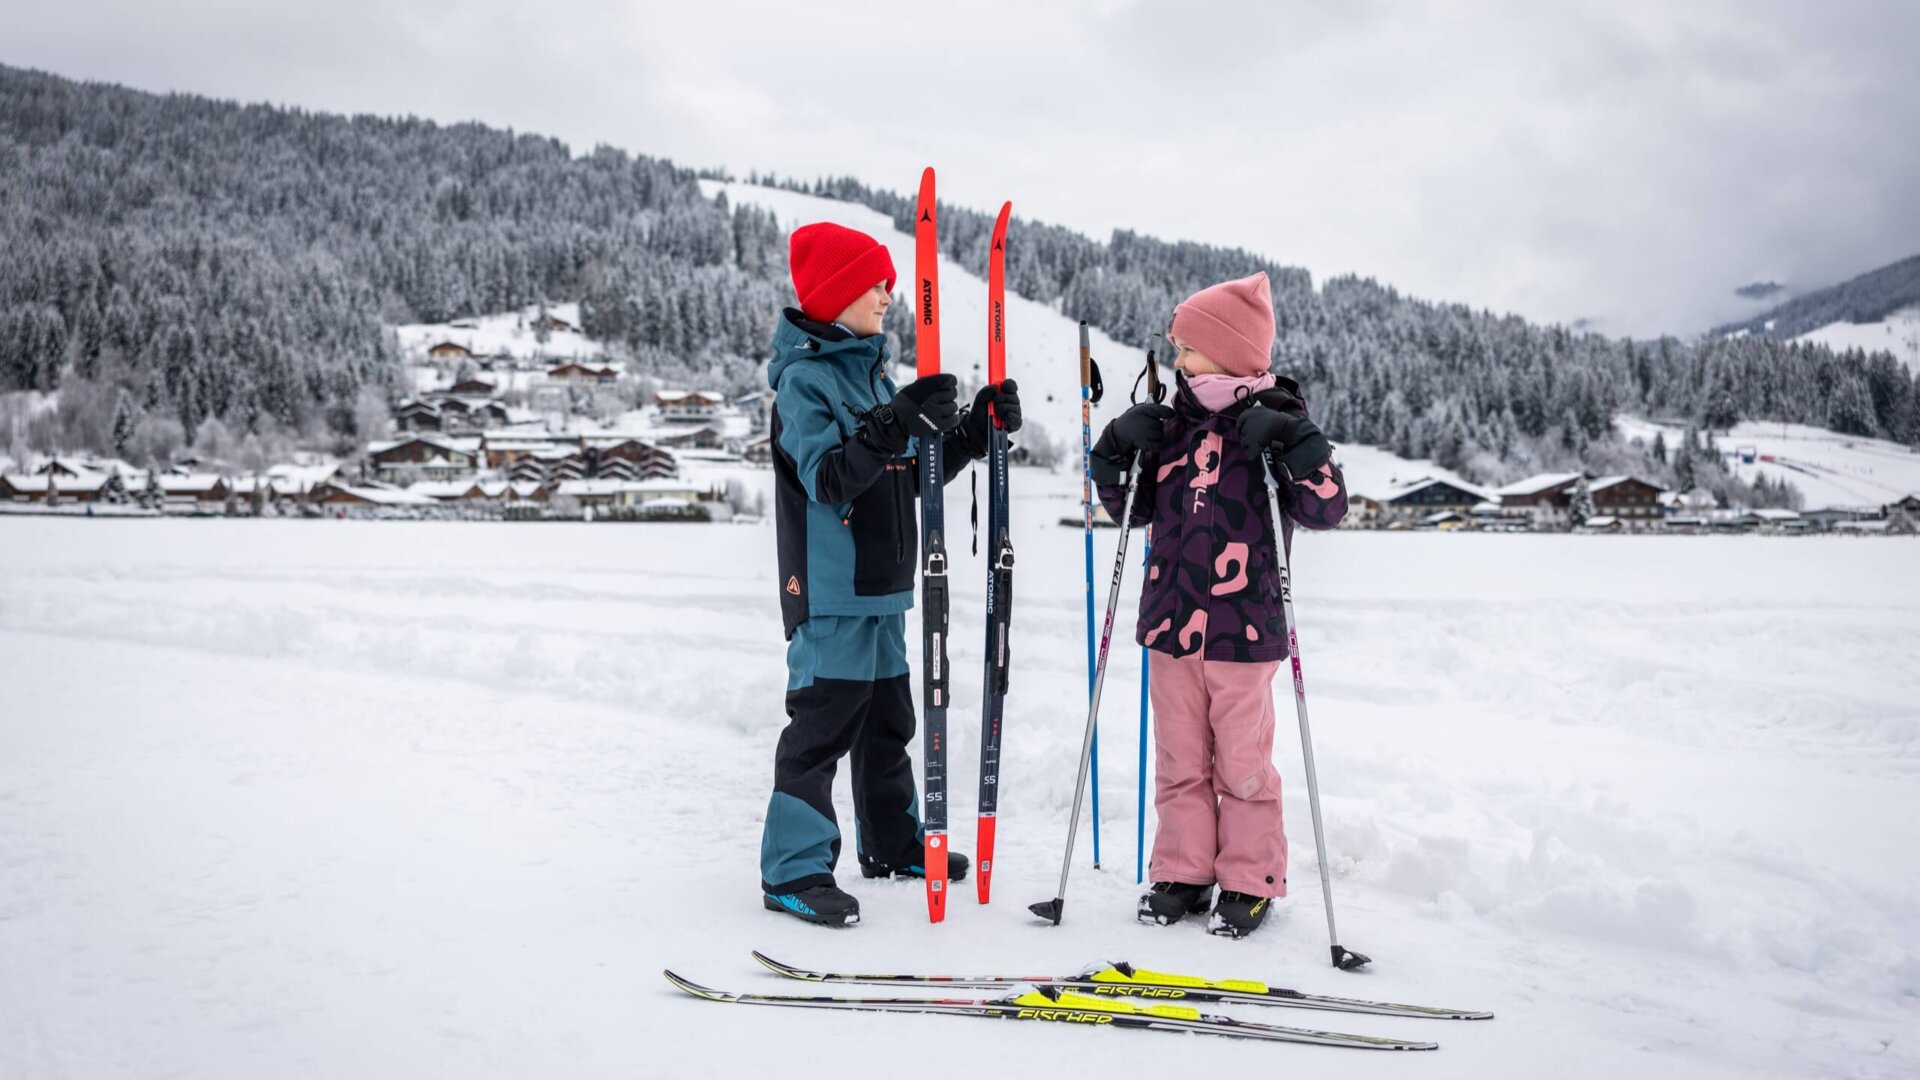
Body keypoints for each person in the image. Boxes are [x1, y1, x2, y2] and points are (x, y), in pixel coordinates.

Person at [760, 221, 1023, 927]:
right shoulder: (804, 384)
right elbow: (828, 478)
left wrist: (971, 432)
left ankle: (891, 842)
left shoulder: (871, 375)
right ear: (836, 293)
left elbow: (909, 475)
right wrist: (891, 422)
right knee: (823, 726)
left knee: (889, 723)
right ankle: (793, 869)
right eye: (875, 285)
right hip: (831, 591)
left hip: (885, 588)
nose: (887, 296)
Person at [1091, 270, 1347, 938]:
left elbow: (1326, 508)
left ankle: (1249, 879)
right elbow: (1132, 510)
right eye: (1177, 348)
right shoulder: (1170, 424)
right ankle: (1183, 870)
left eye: (1189, 348)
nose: (1177, 360)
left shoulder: (1278, 420)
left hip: (1245, 629)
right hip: (1170, 625)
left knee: (1242, 764)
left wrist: (1300, 446)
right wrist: (1113, 453)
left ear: (1232, 352)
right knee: (1179, 759)